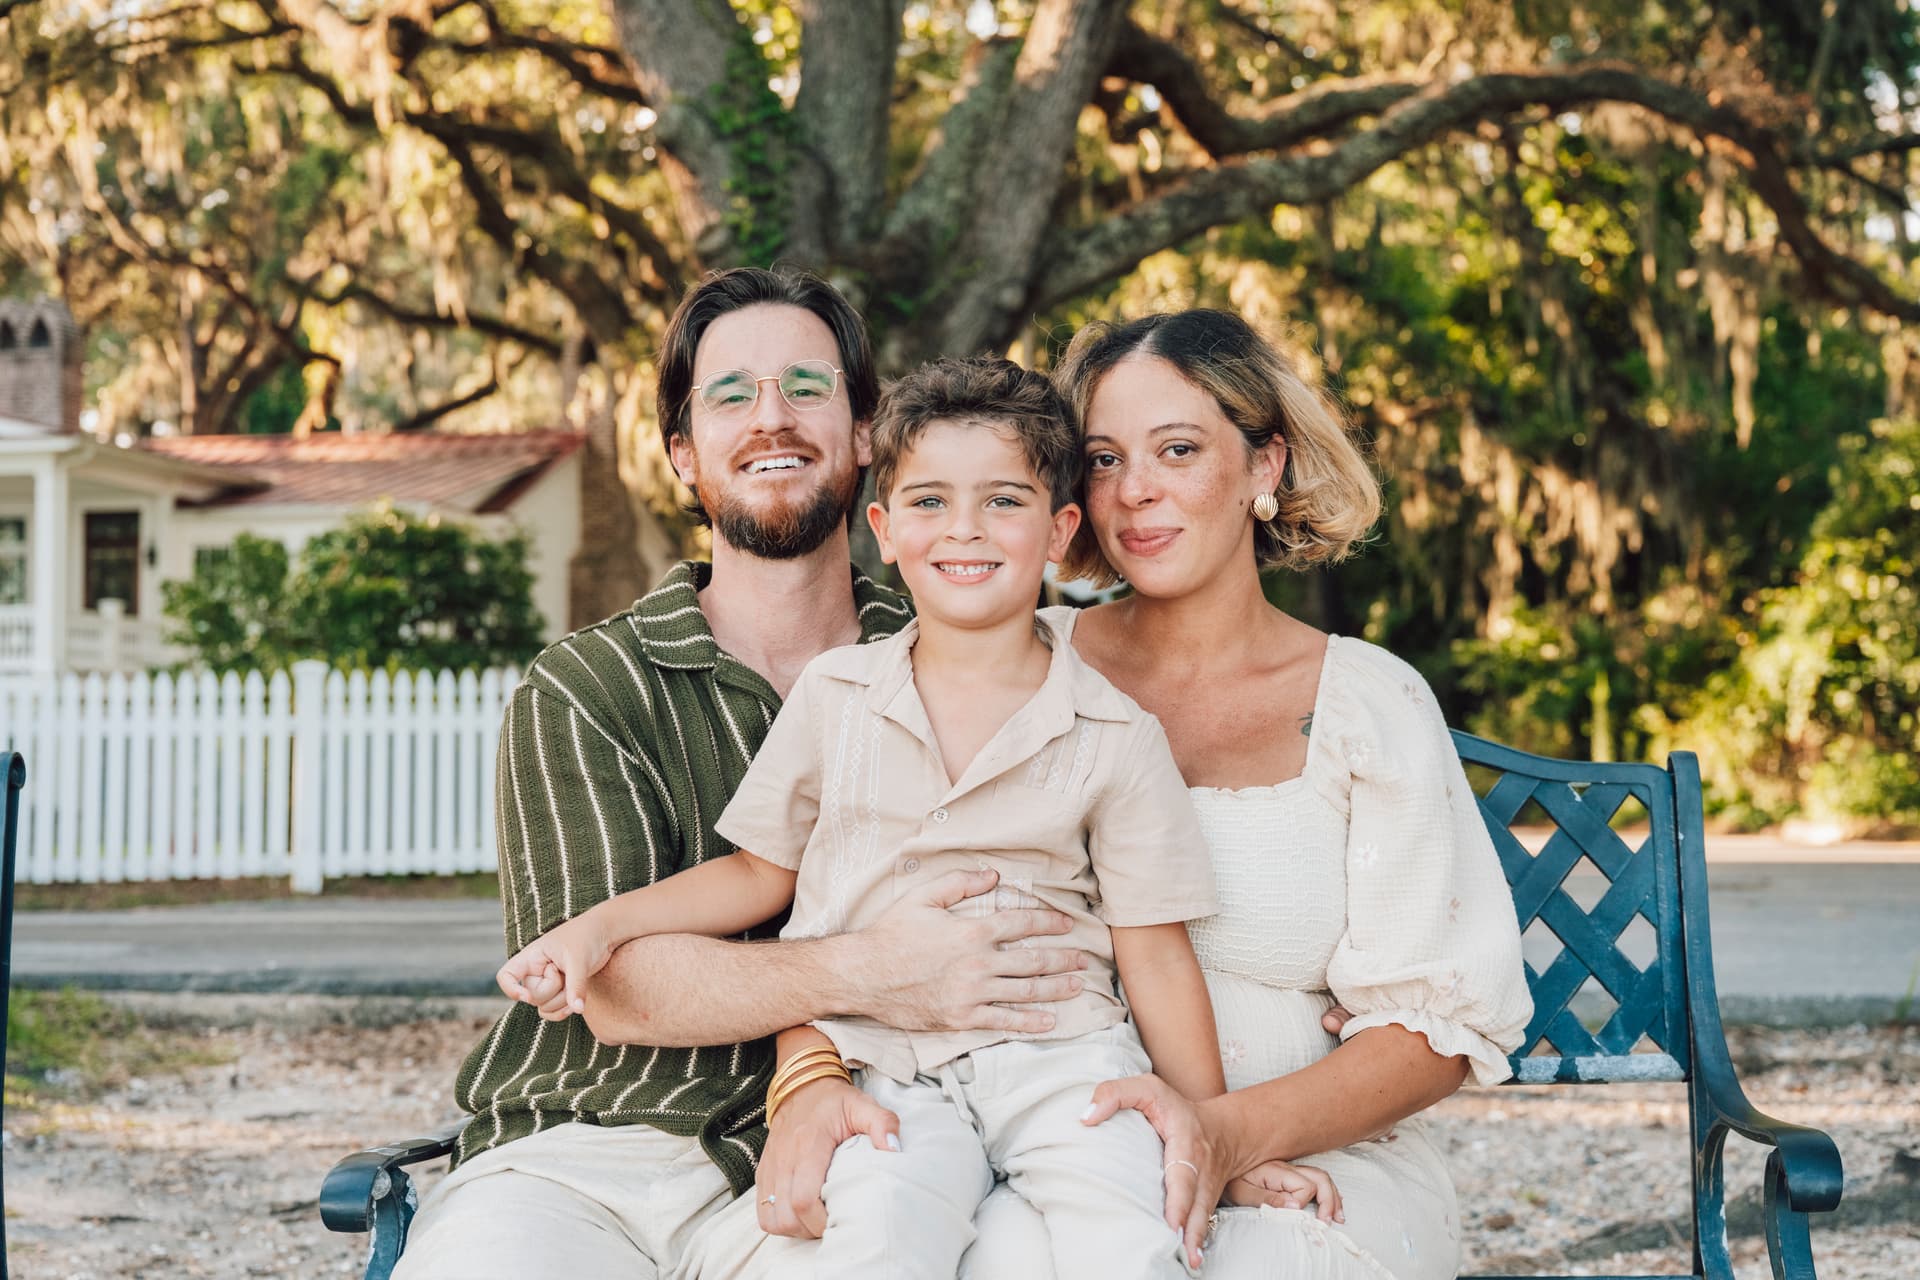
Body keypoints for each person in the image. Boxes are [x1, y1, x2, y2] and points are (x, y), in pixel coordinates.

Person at [501, 355, 1339, 1280]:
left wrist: (1217, 1138)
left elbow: (1154, 951)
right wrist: (599, 929)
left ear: (1061, 530)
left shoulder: (1114, 732)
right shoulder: (836, 695)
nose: (964, 529)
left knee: (1132, 1232)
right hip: (885, 1061)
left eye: (1003, 501)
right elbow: (757, 874)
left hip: (1063, 1055)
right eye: (930, 502)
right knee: (880, 1230)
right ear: (885, 530)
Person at [737, 309, 1533, 1280]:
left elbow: (1435, 1027)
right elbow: (840, 891)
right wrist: (808, 1073)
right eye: (1105, 459)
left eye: (1179, 449)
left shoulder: (1366, 701)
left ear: (1266, 463)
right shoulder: (1008, 664)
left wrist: (1227, 1134)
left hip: (1302, 1152)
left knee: (1248, 1261)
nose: (1137, 489)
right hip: (1031, 1132)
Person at [388, 268, 1091, 1280]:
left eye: (807, 386)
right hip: (583, 1154)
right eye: (730, 395)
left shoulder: (977, 664)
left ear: (865, 433)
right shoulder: (586, 688)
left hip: (860, 1143)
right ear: (683, 452)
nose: (772, 418)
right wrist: (883, 968)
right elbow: (615, 987)